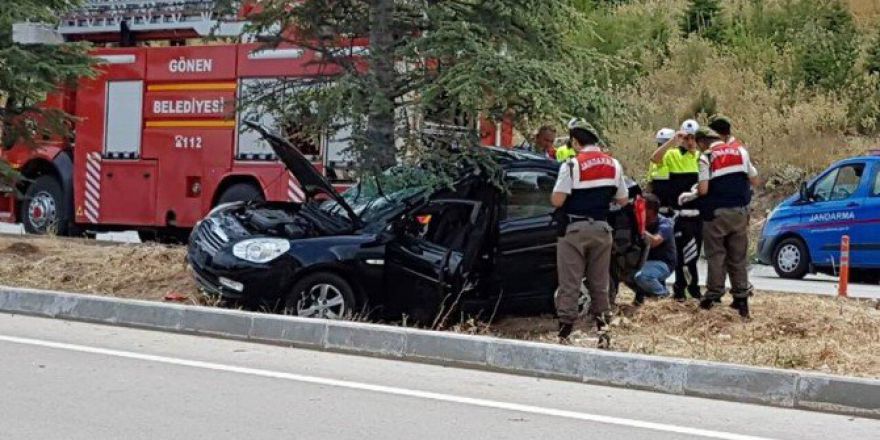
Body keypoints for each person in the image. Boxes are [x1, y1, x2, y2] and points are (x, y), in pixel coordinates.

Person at [551, 118, 628, 348]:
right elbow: (623, 199)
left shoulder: (571, 165)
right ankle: (603, 333)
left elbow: (557, 200)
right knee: (600, 283)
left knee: (570, 283)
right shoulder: (614, 164)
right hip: (602, 230)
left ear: (576, 142)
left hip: (574, 230)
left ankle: (564, 333)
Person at [694, 127, 759, 318]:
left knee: (716, 255)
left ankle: (713, 295)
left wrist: (693, 192)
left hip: (716, 215)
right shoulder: (741, 152)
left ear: (702, 142)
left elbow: (703, 189)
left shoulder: (707, 157)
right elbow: (754, 180)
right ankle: (741, 299)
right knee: (738, 257)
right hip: (740, 213)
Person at [650, 119, 703, 301]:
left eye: (693, 138)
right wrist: (673, 141)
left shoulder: (701, 157)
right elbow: (655, 159)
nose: (690, 142)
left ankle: (689, 289)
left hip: (698, 216)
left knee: (693, 255)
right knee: (683, 256)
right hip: (680, 216)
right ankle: (684, 290)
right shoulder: (672, 155)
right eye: (686, 138)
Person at [633, 193, 676, 304]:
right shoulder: (635, 220)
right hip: (644, 263)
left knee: (642, 276)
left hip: (664, 263)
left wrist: (641, 227)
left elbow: (654, 242)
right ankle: (642, 297)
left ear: (651, 210)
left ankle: (664, 296)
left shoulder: (665, 223)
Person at [646, 128, 674, 195]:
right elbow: (650, 182)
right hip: (657, 194)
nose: (661, 147)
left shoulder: (676, 157)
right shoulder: (654, 159)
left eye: (663, 144)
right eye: (659, 144)